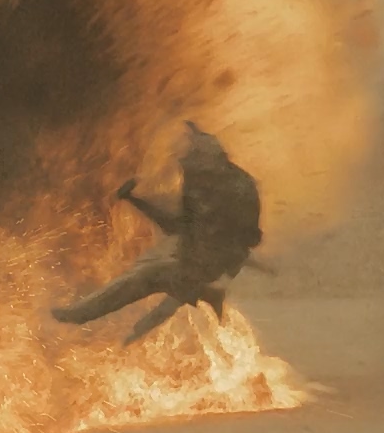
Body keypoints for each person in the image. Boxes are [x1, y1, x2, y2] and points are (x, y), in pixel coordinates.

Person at [50, 120, 269, 345]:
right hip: (200, 265)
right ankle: (104, 322)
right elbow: (179, 226)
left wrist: (136, 201)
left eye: (190, 157)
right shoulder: (214, 181)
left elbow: (185, 228)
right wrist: (136, 200)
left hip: (204, 269)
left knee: (141, 279)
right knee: (150, 287)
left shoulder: (223, 187)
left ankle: (79, 315)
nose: (184, 164)